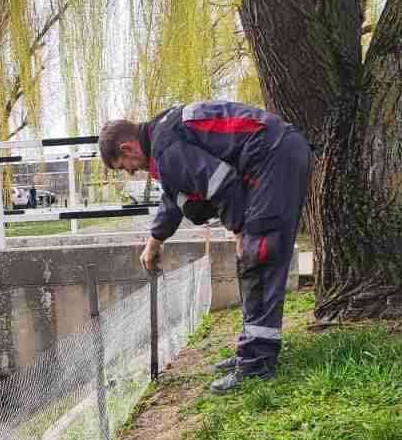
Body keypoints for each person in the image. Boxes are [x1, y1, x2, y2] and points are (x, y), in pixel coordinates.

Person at [98, 101, 312, 393]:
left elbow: (222, 184)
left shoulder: (165, 148)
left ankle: (257, 363)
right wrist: (154, 242)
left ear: (127, 148)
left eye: (125, 168)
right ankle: (250, 351)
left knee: (258, 256)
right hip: (274, 154)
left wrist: (238, 232)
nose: (131, 173)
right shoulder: (164, 135)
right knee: (253, 256)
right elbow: (174, 199)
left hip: (272, 159)